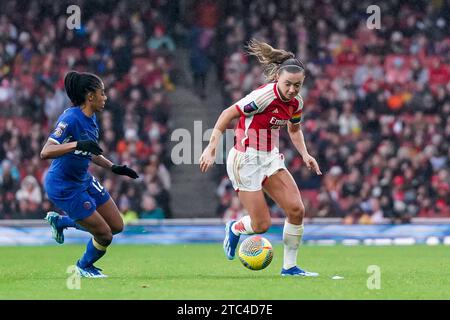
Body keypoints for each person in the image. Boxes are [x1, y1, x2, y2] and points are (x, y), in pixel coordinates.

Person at [199, 39, 322, 277]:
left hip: (270, 159)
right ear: (278, 78)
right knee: (261, 225)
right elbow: (228, 114)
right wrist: (211, 148)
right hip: (245, 161)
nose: (292, 90)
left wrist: (305, 155)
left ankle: (290, 268)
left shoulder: (296, 103)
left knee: (296, 210)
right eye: (288, 84)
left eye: (297, 85)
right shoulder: (265, 95)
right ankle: (235, 228)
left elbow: (294, 130)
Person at [40, 71, 139, 278]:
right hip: (64, 186)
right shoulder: (70, 118)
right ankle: (83, 266)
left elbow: (89, 152)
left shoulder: (92, 118)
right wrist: (76, 144)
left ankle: (61, 222)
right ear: (90, 96)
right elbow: (46, 151)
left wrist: (114, 168)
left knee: (117, 226)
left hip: (84, 179)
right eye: (102, 93)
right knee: (104, 234)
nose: (106, 97)